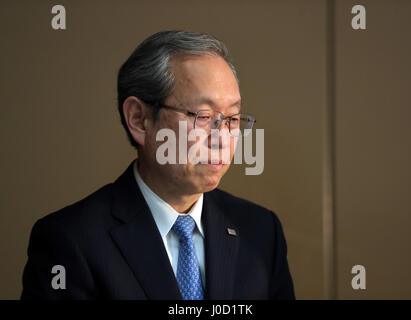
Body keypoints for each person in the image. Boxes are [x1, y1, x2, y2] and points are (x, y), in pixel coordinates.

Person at [21, 30, 295, 300]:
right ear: (139, 119)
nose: (222, 138)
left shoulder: (260, 230)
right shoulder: (70, 240)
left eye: (232, 118)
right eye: (203, 116)